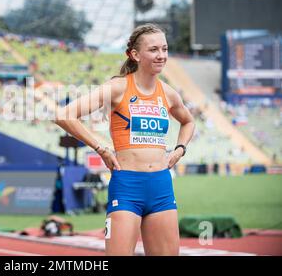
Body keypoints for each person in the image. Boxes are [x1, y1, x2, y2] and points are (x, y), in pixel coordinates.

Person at [54, 23, 195, 256]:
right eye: (153, 50)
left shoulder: (169, 93)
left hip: (161, 187)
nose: (161, 55)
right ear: (135, 54)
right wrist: (101, 148)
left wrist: (180, 148)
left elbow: (189, 121)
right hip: (127, 187)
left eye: (165, 49)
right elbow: (64, 115)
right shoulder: (118, 87)